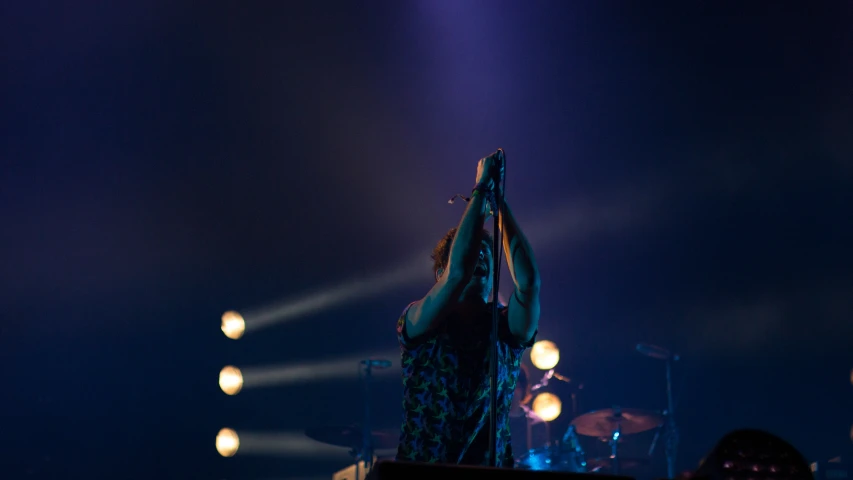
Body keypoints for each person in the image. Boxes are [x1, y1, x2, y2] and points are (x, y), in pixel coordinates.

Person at [395, 149, 541, 466]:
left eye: (488, 253)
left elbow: (528, 284)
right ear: (438, 274)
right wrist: (480, 191)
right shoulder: (419, 320)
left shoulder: (504, 329)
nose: (482, 257)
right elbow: (457, 274)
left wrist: (499, 202)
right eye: (475, 252)